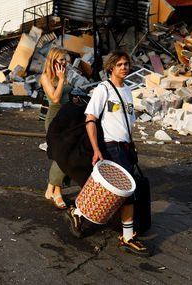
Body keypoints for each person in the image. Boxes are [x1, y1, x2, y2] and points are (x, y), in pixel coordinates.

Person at [65, 49, 150, 256]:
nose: (124, 68)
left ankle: (76, 212)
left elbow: (129, 123)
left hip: (125, 146)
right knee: (126, 190)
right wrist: (96, 149)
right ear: (111, 66)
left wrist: (132, 144)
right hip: (110, 146)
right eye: (120, 64)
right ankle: (127, 237)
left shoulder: (128, 90)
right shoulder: (104, 89)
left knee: (111, 191)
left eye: (126, 64)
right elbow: (90, 119)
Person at [40, 47, 72, 209]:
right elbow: (55, 97)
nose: (64, 63)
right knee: (62, 155)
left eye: (65, 59)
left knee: (68, 153)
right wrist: (60, 79)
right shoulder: (45, 77)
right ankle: (57, 192)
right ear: (53, 61)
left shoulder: (64, 75)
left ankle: (50, 189)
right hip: (55, 118)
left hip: (68, 115)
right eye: (61, 60)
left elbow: (67, 94)